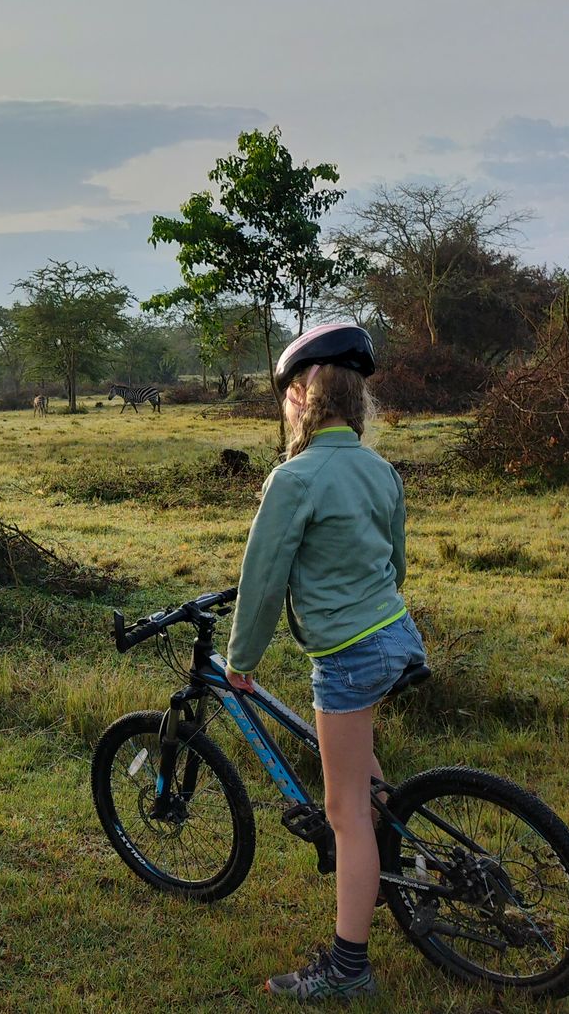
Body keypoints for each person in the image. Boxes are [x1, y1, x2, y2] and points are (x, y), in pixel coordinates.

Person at [222, 322, 425, 1002]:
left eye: (288, 396)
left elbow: (262, 581)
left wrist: (240, 661)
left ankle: (347, 967)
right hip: (398, 635)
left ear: (306, 395)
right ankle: (411, 870)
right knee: (364, 781)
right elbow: (396, 562)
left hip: (344, 656)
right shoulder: (380, 469)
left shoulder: (295, 477)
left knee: (344, 814)